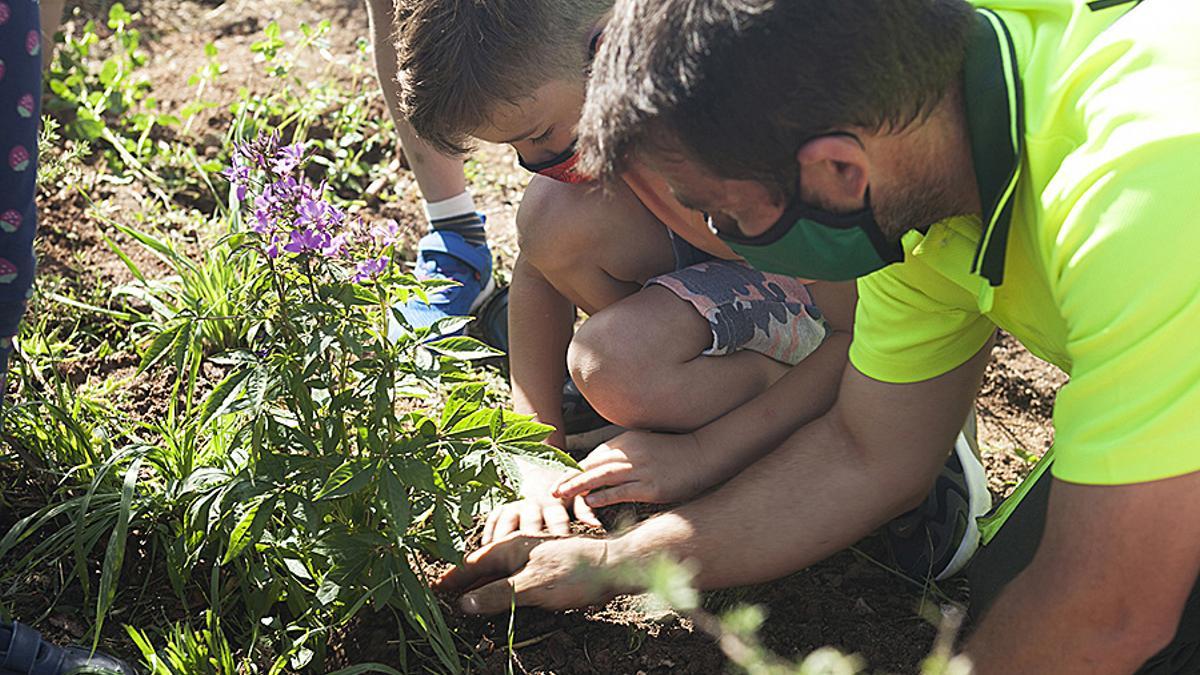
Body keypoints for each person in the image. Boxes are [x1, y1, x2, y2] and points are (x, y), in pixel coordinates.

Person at [435, 0, 1200, 672]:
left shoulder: (1138, 191)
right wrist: (613, 562)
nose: (715, 238)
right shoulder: (914, 169)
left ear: (834, 170)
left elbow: (1106, 613)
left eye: (720, 214)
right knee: (1020, 580)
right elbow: (867, 451)